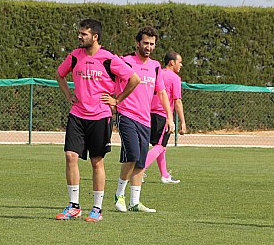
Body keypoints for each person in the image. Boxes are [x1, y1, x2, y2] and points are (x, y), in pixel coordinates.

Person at [55, 19, 140, 222]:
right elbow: (60, 74)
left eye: (83, 34)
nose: (79, 37)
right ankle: (74, 206)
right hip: (77, 114)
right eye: (79, 33)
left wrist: (116, 100)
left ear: (95, 36)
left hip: (100, 117)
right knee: (70, 156)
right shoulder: (74, 57)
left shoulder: (109, 59)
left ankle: (97, 208)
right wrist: (68, 95)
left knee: (96, 162)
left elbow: (134, 79)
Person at [110, 26, 175, 213]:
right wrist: (112, 100)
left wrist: (170, 118)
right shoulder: (125, 61)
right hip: (126, 115)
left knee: (140, 160)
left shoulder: (155, 66)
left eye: (152, 44)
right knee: (132, 154)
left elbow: (161, 92)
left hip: (145, 119)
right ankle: (119, 194)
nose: (148, 46)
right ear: (137, 43)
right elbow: (109, 78)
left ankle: (135, 202)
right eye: (145, 43)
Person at [144, 51, 187, 184]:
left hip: (148, 113)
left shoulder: (157, 72)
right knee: (160, 146)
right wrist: (182, 122)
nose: (181, 65)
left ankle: (165, 175)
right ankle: (139, 170)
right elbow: (177, 101)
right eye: (179, 62)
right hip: (162, 115)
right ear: (171, 62)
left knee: (160, 146)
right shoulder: (174, 78)